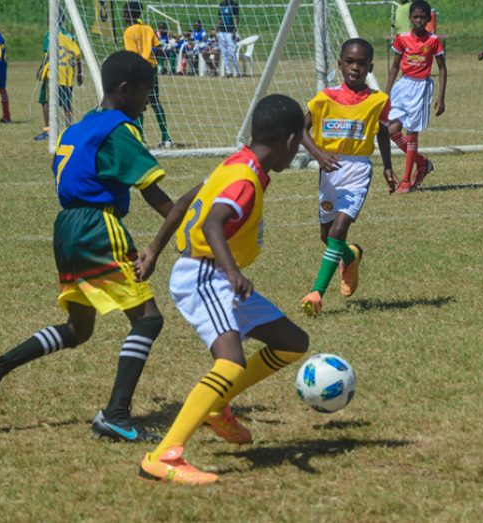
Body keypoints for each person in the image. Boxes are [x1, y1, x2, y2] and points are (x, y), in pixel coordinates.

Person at [0, 51, 197, 443]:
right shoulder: (120, 129)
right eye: (145, 93)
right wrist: (186, 228)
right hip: (97, 226)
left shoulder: (79, 127)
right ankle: (116, 414)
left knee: (78, 329)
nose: (147, 101)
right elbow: (152, 192)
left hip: (67, 227)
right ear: (125, 90)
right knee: (148, 319)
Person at [137, 94, 308, 486]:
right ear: (287, 141)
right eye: (298, 143)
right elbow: (214, 223)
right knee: (228, 362)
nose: (298, 151)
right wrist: (232, 273)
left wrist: (153, 250)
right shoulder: (246, 179)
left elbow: (184, 201)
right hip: (205, 274)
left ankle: (218, 406)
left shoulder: (239, 162)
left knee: (291, 342)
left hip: (214, 273)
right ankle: (164, 456)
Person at [300, 39, 395, 316]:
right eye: (350, 62)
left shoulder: (378, 101)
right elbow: (300, 128)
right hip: (329, 171)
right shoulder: (325, 98)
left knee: (338, 230)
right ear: (340, 64)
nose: (355, 67)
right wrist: (318, 155)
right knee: (327, 236)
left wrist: (388, 166)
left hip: (358, 171)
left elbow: (382, 132)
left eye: (362, 63)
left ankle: (316, 292)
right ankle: (350, 256)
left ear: (370, 67)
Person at [386, 0, 446, 194]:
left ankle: (405, 181)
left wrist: (441, 97)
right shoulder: (402, 39)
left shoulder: (433, 40)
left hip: (421, 88)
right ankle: (422, 163)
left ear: (428, 19)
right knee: (392, 129)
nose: (419, 21)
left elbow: (442, 68)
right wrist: (387, 92)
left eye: (422, 17)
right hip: (403, 86)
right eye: (415, 17)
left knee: (412, 133)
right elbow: (395, 65)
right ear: (410, 18)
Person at [123, 1, 174, 147]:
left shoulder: (128, 32)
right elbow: (158, 48)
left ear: (126, 15)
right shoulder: (148, 28)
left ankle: (141, 139)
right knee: (155, 102)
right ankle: (166, 138)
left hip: (138, 69)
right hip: (151, 68)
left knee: (137, 103)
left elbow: (131, 55)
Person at [34, 19, 83, 141]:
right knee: (67, 104)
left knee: (45, 101)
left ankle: (48, 131)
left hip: (53, 73)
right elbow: (78, 55)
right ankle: (69, 130)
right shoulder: (69, 35)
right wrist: (79, 73)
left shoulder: (50, 34)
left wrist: (40, 69)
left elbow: (49, 55)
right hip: (67, 73)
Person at [217, 0, 240, 77]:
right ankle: (229, 72)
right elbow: (219, 18)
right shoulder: (221, 5)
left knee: (232, 53)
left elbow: (237, 19)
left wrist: (234, 31)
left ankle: (237, 72)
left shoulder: (235, 5)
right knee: (224, 53)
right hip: (222, 32)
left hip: (230, 32)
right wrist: (218, 29)